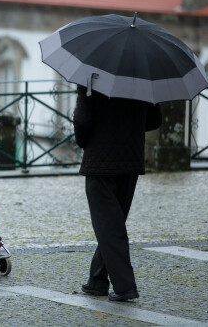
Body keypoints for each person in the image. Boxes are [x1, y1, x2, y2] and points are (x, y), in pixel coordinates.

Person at [73, 85, 162, 301]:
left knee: (109, 227)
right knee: (112, 224)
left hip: (101, 162)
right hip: (130, 160)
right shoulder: (142, 78)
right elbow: (154, 120)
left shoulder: (92, 79)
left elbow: (82, 124)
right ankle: (97, 280)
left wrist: (82, 95)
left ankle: (125, 286)